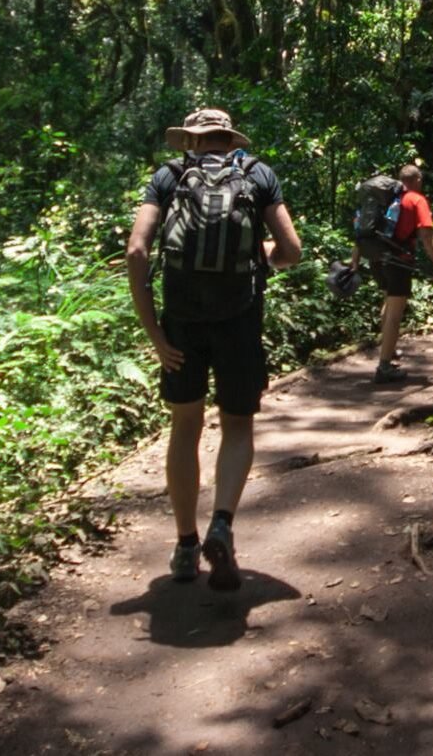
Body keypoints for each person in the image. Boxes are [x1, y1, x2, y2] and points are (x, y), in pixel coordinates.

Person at [125, 108, 301, 590]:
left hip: (181, 323)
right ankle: (222, 522)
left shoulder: (168, 176)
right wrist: (256, 255)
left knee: (185, 426)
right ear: (229, 138)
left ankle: (185, 546)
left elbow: (137, 251)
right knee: (237, 424)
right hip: (240, 319)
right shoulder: (258, 174)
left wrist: (155, 337)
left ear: (192, 141)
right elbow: (292, 251)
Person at [350, 163, 433, 384]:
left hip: (375, 258)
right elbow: (427, 237)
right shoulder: (416, 200)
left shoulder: (382, 200)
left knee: (388, 303)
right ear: (417, 180)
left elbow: (361, 232)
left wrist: (354, 261)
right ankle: (384, 367)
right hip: (398, 261)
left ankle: (389, 350)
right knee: (395, 312)